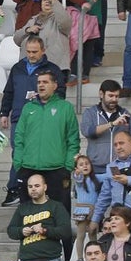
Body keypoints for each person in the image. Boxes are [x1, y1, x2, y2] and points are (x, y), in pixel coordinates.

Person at [13, 71, 80, 213]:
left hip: (56, 169)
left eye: (45, 82)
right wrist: (18, 163)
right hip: (28, 168)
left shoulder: (65, 107)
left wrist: (68, 166)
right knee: (28, 214)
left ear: (54, 85)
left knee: (59, 213)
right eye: (39, 82)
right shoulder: (28, 108)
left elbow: (73, 139)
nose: (41, 85)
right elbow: (19, 137)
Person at [82, 81, 131, 171]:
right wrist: (112, 124)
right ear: (101, 94)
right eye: (110, 96)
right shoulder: (90, 112)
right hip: (96, 166)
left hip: (118, 166)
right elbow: (88, 132)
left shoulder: (125, 114)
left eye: (117, 96)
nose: (114, 99)